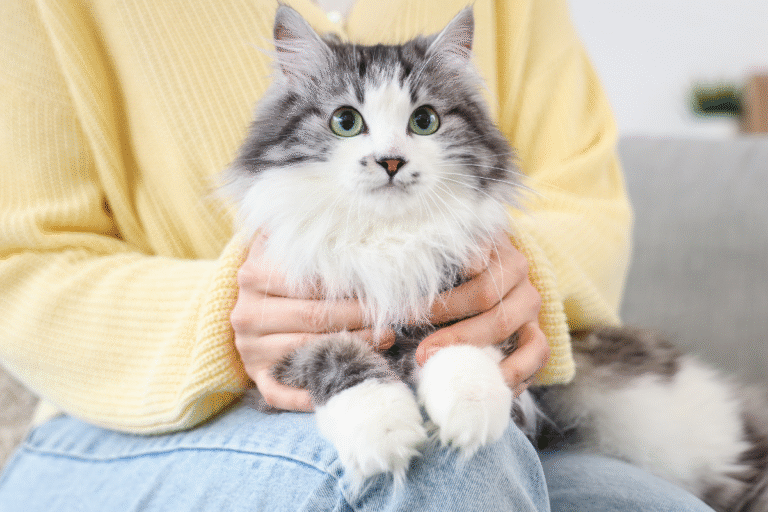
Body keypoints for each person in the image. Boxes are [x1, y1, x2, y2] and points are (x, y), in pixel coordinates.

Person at [0, 0, 714, 510]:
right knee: (433, 469)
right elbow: (20, 265)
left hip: (498, 404)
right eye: (347, 122)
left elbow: (585, 202)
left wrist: (503, 289)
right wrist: (219, 319)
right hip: (120, 431)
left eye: (421, 122)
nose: (392, 157)